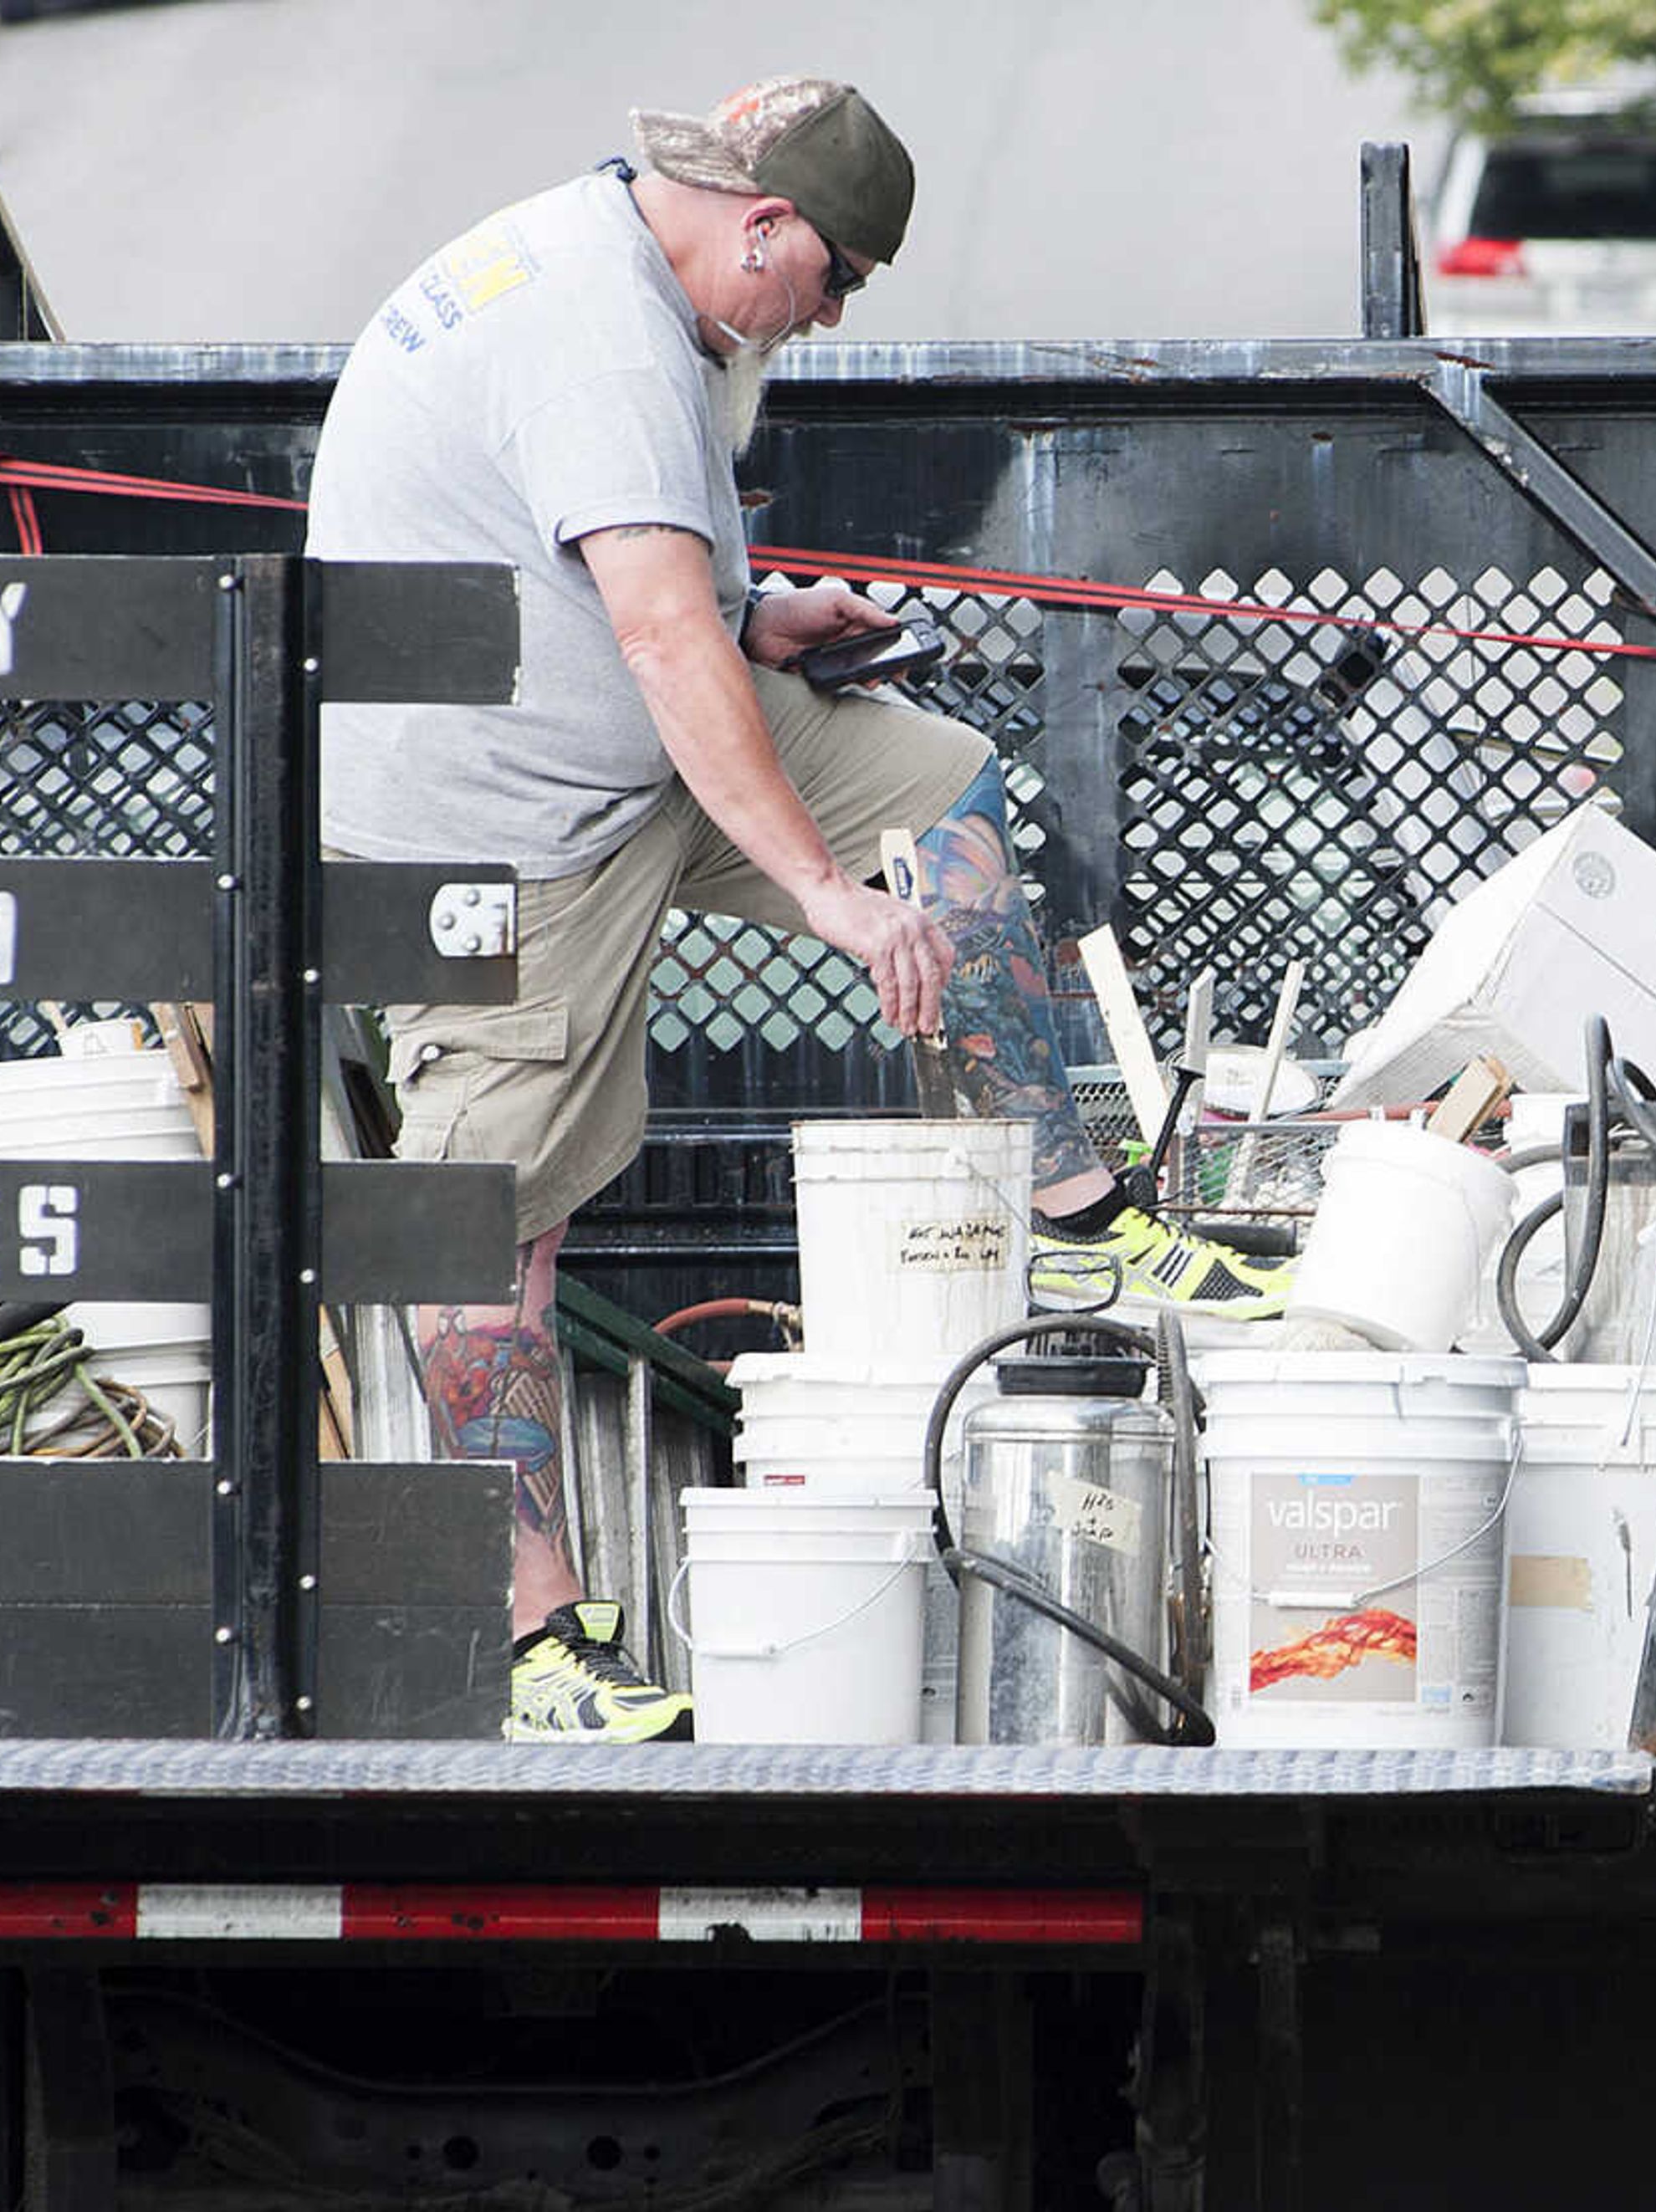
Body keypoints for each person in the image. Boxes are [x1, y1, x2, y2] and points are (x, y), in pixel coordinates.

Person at [310, 76, 1294, 1741]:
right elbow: (653, 643)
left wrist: (763, 607)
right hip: (500, 834)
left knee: (942, 780)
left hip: (621, 749)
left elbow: (666, 596)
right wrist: (824, 896)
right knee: (491, 1229)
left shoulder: (661, 295)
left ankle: (1065, 1216)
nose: (830, 316)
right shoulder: (608, 341)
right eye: (831, 278)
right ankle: (534, 1640)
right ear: (761, 222)